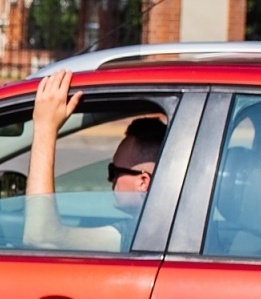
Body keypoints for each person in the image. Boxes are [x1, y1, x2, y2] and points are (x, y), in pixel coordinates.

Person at [24, 66, 166, 251]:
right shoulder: (167, 225)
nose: (110, 180)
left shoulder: (143, 235)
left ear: (143, 182)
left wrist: (45, 128)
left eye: (114, 171)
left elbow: (42, 236)